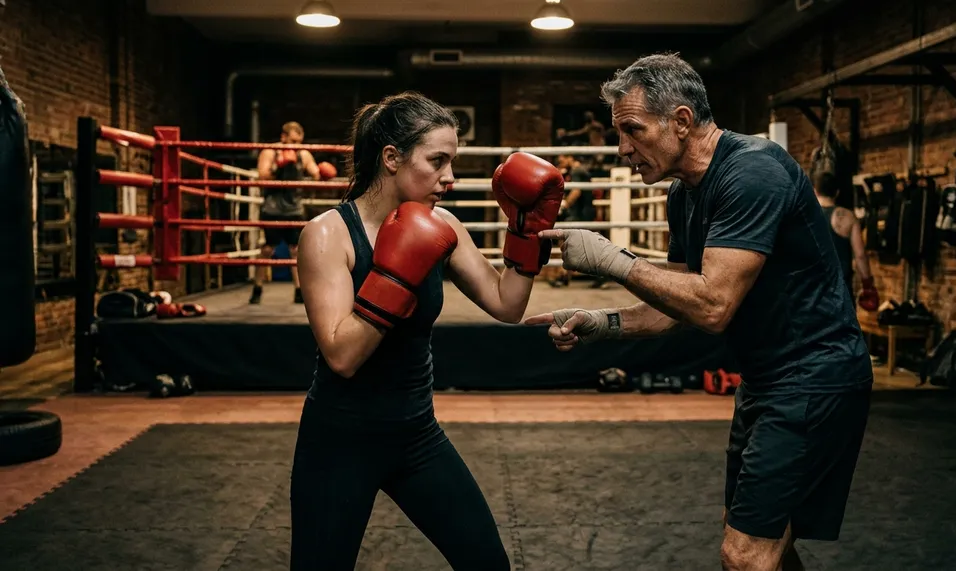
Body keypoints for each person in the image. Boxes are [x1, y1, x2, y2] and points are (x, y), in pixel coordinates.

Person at [526, 53, 874, 571]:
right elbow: (676, 306)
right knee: (765, 546)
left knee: (746, 554)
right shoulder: (682, 195)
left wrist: (612, 260)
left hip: (813, 377)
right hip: (765, 380)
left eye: (633, 130)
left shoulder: (753, 172)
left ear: (682, 121)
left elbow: (712, 306)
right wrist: (600, 323)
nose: (623, 149)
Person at [291, 91, 564, 570]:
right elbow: (342, 356)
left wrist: (525, 233)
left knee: (487, 562)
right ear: (392, 158)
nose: (450, 178)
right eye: (437, 161)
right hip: (340, 440)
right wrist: (397, 274)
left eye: (452, 162)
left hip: (417, 434)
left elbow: (507, 305)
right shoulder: (327, 234)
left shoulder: (445, 226)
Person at [251, 121, 334, 305]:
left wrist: (321, 173)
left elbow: (314, 173)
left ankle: (298, 290)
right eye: (293, 141)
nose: (296, 146)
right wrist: (278, 166)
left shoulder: (302, 154)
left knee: (296, 250)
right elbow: (261, 175)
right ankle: (257, 287)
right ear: (283, 137)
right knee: (267, 249)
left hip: (294, 208)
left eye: (299, 142)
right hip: (272, 208)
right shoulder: (270, 152)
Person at [812, 171, 880, 311]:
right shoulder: (848, 217)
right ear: (837, 192)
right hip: (839, 294)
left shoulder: (801, 216)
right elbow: (860, 255)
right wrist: (868, 285)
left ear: (815, 191)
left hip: (810, 295)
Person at [549, 153, 605, 289]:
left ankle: (565, 276)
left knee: (572, 243)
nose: (561, 163)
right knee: (572, 244)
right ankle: (564, 276)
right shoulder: (581, 171)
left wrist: (564, 205)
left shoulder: (577, 171)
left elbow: (576, 191)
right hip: (582, 212)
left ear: (570, 158)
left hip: (580, 213)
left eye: (562, 160)